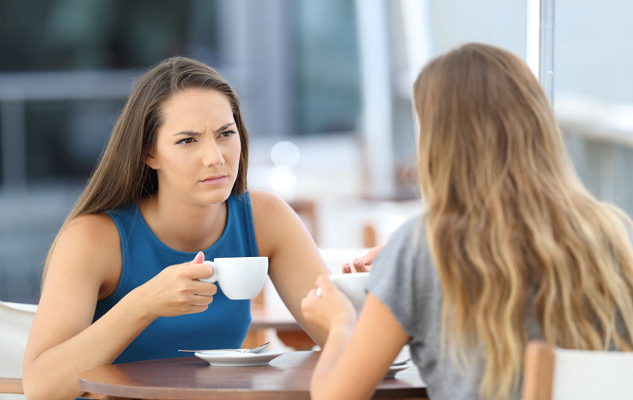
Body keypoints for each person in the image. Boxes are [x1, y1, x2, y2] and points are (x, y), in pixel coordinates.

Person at [301, 43, 633, 400]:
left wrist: (340, 322)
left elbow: (336, 397)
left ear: (439, 140)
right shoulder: (609, 232)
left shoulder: (423, 247)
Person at [22, 56, 330, 400]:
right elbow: (41, 387)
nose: (215, 157)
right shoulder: (93, 239)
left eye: (225, 134)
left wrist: (373, 287)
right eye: (188, 141)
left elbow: (344, 338)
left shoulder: (266, 217)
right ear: (149, 153)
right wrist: (143, 304)